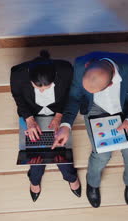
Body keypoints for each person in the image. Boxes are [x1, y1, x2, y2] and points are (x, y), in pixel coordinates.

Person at [52, 51, 128, 208]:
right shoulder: (79, 65)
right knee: (101, 155)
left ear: (111, 84)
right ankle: (92, 183)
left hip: (127, 110)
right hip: (95, 108)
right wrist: (66, 125)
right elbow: (75, 97)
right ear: (87, 66)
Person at [10, 50, 81, 202]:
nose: (41, 90)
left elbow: (70, 94)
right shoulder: (17, 74)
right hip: (31, 113)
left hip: (57, 111)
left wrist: (59, 116)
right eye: (37, 87)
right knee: (35, 153)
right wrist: (29, 120)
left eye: (46, 88)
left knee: (61, 151)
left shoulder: (66, 70)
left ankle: (70, 176)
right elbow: (18, 98)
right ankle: (35, 179)